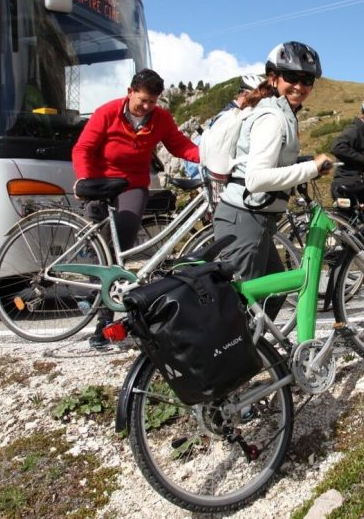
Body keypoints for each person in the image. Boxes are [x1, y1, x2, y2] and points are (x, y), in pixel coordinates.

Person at [72, 68, 201, 349]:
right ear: (130, 92)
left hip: (132, 184)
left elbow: (179, 145)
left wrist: (209, 158)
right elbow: (83, 148)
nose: (146, 107)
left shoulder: (161, 118)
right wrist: (84, 179)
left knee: (124, 241)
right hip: (100, 180)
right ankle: (90, 295)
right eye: (142, 100)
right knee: (98, 246)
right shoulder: (107, 112)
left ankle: (104, 321)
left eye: (152, 102)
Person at [214, 42, 332, 320]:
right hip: (244, 219)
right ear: (273, 78)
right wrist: (311, 169)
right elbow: (256, 179)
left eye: (307, 80)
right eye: (291, 77)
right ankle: (231, 360)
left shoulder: (280, 111)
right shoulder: (273, 117)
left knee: (275, 290)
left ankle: (258, 353)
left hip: (256, 219)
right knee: (239, 308)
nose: (299, 86)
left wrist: (302, 163)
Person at [184, 73, 268, 179]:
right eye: (257, 99)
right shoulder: (232, 116)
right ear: (245, 95)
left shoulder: (231, 112)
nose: (257, 104)